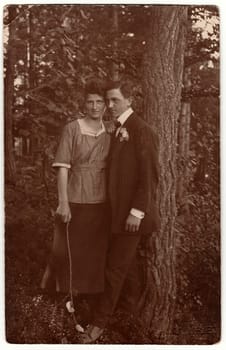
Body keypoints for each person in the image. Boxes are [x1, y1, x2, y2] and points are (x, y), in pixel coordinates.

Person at [81, 78, 160, 343]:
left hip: (132, 216)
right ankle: (130, 317)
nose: (110, 105)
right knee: (127, 268)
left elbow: (149, 177)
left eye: (115, 100)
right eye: (108, 100)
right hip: (115, 214)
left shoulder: (141, 130)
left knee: (115, 268)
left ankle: (97, 326)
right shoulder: (118, 129)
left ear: (130, 100)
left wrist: (136, 213)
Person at [40, 79, 111, 323]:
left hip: (101, 203)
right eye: (90, 101)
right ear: (83, 103)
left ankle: (86, 312)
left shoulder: (111, 131)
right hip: (76, 200)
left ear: (106, 105)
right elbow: (62, 168)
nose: (94, 106)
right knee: (69, 256)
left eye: (99, 102)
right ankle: (62, 312)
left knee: (94, 259)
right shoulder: (72, 128)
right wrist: (64, 203)